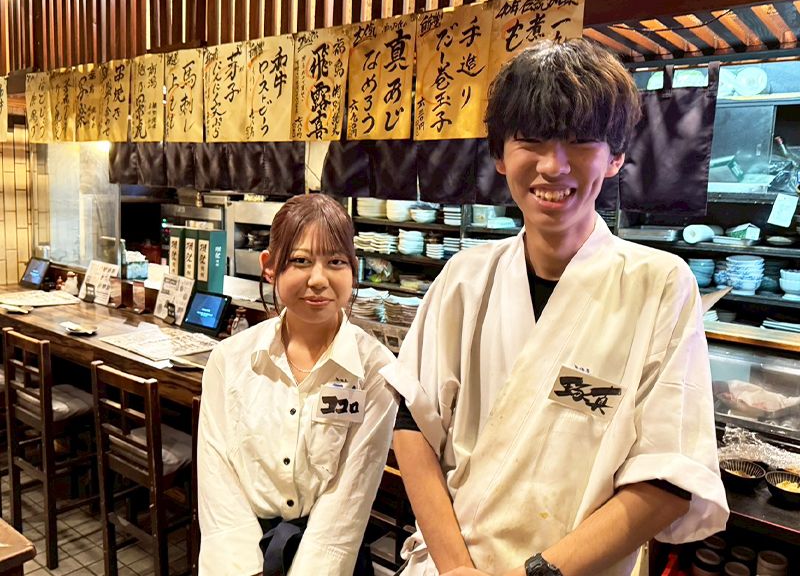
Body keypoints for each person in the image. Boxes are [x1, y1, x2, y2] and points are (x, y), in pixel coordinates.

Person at [385, 39, 729, 576]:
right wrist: (454, 568)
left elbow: (668, 476)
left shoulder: (660, 285)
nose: (553, 165)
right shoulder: (465, 277)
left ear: (615, 156)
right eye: (532, 140)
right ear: (500, 155)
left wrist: (537, 573)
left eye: (581, 141)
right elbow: (412, 420)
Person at [197, 194, 398, 576]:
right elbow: (217, 477)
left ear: (353, 269)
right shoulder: (230, 359)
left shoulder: (375, 370)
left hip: (333, 559)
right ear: (270, 267)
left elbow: (352, 491)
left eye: (336, 262)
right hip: (245, 556)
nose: (318, 280)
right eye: (301, 261)